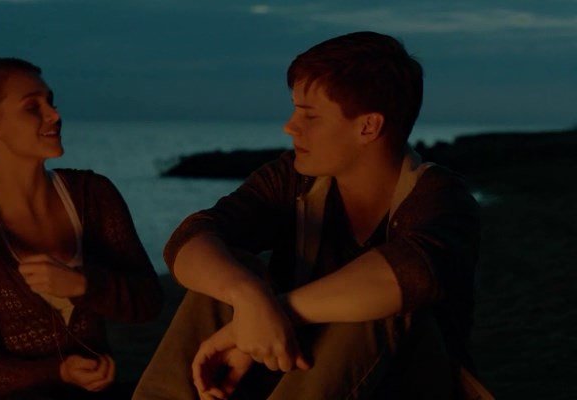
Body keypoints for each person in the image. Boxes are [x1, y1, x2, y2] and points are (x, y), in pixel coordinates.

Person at [133, 31, 482, 399]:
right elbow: (189, 239)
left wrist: (270, 313)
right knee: (229, 271)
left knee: (379, 302)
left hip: (402, 386)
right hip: (298, 372)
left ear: (368, 126)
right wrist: (248, 296)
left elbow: (412, 273)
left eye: (310, 115)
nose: (290, 126)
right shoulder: (294, 179)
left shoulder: (441, 196)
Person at [0, 58, 163, 399]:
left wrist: (83, 285)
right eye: (32, 107)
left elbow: (148, 302)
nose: (54, 115)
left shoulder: (93, 196)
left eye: (51, 102)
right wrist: (61, 371)